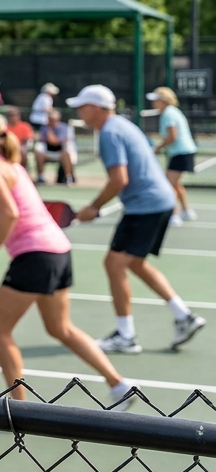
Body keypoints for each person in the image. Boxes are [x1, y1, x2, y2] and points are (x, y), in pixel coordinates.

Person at [0, 110, 133, 409]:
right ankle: (119, 385)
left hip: (34, 256)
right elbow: (9, 219)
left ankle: (19, 408)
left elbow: (10, 215)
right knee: (61, 328)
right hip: (57, 252)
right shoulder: (12, 165)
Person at [70, 84, 205, 353]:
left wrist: (94, 207)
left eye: (82, 107)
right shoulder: (123, 124)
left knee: (114, 264)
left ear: (97, 108)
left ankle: (126, 336)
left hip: (146, 206)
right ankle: (183, 316)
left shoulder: (109, 132)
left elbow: (119, 179)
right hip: (161, 202)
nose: (79, 112)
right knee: (135, 264)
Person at [147, 87, 198, 226]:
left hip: (181, 153)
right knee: (175, 183)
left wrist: (157, 147)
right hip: (182, 152)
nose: (153, 103)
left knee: (168, 185)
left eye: (156, 100)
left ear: (163, 101)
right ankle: (187, 211)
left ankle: (174, 216)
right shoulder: (172, 112)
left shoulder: (169, 114)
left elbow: (172, 136)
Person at [35, 109, 76, 185]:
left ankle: (68, 178)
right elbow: (42, 140)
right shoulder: (44, 128)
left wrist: (50, 134)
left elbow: (55, 141)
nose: (51, 121)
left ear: (58, 119)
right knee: (39, 152)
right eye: (50, 119)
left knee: (66, 154)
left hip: (61, 152)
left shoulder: (64, 128)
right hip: (47, 152)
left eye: (53, 120)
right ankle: (41, 177)